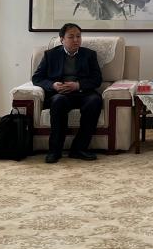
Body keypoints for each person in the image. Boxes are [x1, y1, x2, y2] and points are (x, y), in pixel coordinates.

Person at [32, 23, 103, 164]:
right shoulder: (50, 55)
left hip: (83, 93)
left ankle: (79, 149)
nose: (76, 40)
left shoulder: (89, 55)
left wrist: (78, 85)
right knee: (58, 101)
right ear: (62, 39)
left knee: (95, 101)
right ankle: (54, 151)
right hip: (61, 94)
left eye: (78, 36)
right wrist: (53, 85)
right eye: (71, 37)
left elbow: (97, 79)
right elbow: (37, 78)